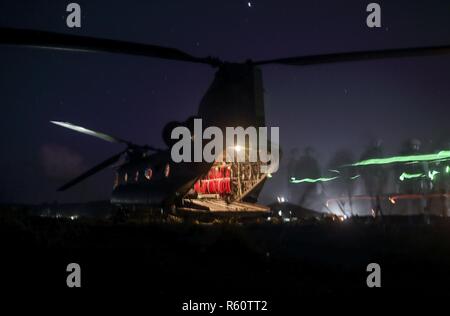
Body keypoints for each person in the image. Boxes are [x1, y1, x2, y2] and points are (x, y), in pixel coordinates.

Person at [359, 139, 387, 217]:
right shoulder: (376, 154)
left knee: (374, 197)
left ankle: (375, 213)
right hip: (372, 179)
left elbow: (382, 167)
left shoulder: (377, 154)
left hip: (374, 179)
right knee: (373, 197)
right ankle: (375, 214)